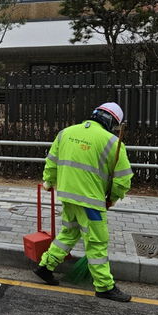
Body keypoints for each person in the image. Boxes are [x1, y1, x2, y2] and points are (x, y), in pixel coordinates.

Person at [34, 102, 133, 303]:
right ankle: (104, 286)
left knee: (69, 233)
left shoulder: (65, 133)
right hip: (91, 202)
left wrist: (48, 182)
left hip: (67, 196)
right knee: (97, 243)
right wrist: (113, 198)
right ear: (112, 122)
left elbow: (51, 161)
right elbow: (123, 179)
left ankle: (45, 267)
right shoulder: (112, 142)